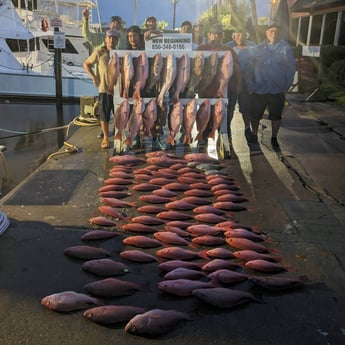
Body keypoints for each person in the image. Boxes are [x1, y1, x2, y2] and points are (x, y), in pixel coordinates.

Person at [244, 23, 296, 150]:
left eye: (276, 32)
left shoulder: (286, 48)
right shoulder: (258, 48)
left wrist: (286, 85)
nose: (274, 34)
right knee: (255, 115)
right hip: (259, 89)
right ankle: (254, 135)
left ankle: (274, 138)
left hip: (277, 89)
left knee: (276, 116)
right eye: (271, 31)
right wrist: (250, 85)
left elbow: (291, 68)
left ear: (280, 34)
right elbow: (249, 68)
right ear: (266, 33)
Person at [196, 23, 241, 159]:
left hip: (227, 91)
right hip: (206, 92)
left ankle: (226, 144)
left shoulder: (229, 50)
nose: (216, 36)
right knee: (204, 117)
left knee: (225, 120)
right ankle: (202, 142)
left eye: (219, 34)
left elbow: (238, 70)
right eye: (214, 33)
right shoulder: (201, 49)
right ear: (208, 35)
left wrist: (238, 86)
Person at [83, 29, 120, 149]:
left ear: (117, 40)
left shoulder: (120, 53)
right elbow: (86, 64)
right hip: (104, 89)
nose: (111, 40)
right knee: (104, 115)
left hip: (118, 91)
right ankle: (105, 137)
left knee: (119, 115)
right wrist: (94, 77)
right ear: (105, 39)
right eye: (109, 37)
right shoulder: (99, 52)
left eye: (114, 38)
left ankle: (119, 135)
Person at [226, 27, 256, 143]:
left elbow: (256, 64)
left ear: (246, 35)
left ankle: (247, 129)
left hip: (247, 83)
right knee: (230, 108)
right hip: (231, 83)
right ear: (233, 35)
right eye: (237, 34)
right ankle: (227, 128)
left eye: (242, 34)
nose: (239, 37)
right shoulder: (227, 46)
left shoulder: (253, 46)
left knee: (246, 108)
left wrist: (255, 83)